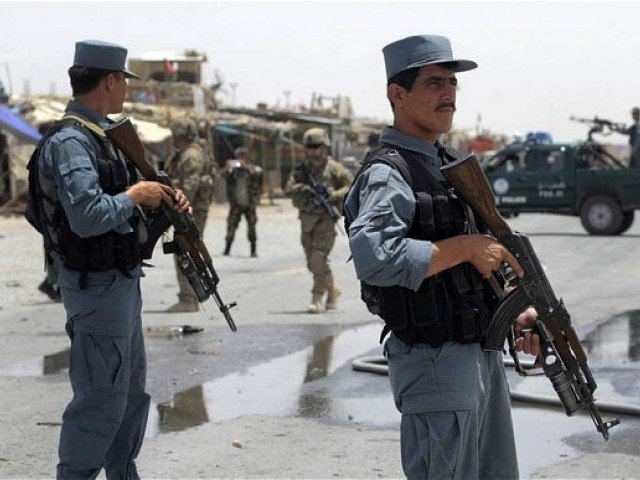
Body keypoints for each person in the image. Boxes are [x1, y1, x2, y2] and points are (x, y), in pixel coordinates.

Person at [343, 35, 541, 479]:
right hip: (435, 363)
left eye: (452, 83)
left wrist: (517, 311)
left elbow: (484, 261)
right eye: (434, 82)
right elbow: (375, 257)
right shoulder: (388, 173)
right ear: (398, 94)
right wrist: (465, 249)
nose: (448, 93)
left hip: (480, 357)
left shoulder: (450, 165)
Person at [26, 40, 191, 479]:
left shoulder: (105, 137)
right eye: (123, 82)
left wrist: (163, 198)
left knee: (130, 395)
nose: (125, 92)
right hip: (95, 289)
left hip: (119, 283)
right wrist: (135, 195)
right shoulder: (71, 143)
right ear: (110, 80)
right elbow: (87, 216)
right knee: (100, 400)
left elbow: (126, 195)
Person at [285, 128, 353, 313]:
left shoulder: (335, 169)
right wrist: (303, 189)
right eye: (310, 147)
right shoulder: (302, 170)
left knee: (318, 260)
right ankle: (333, 290)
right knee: (311, 263)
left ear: (325, 147)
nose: (313, 151)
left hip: (326, 220)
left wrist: (334, 194)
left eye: (317, 147)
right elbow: (288, 188)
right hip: (307, 220)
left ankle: (316, 298)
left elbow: (352, 185)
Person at [165, 117, 215, 312]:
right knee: (185, 249)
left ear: (180, 135)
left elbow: (189, 187)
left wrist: (178, 206)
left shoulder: (191, 155)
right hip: (188, 209)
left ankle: (189, 299)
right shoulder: (185, 154)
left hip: (190, 210)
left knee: (184, 251)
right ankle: (190, 297)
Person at [223, 146, 263, 257]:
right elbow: (222, 175)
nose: (240, 159)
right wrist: (228, 168)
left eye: (242, 157)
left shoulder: (252, 169)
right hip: (236, 204)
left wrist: (245, 167)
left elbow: (258, 174)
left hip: (249, 204)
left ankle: (253, 250)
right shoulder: (233, 171)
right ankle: (227, 249)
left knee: (252, 227)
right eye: (238, 157)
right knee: (231, 226)